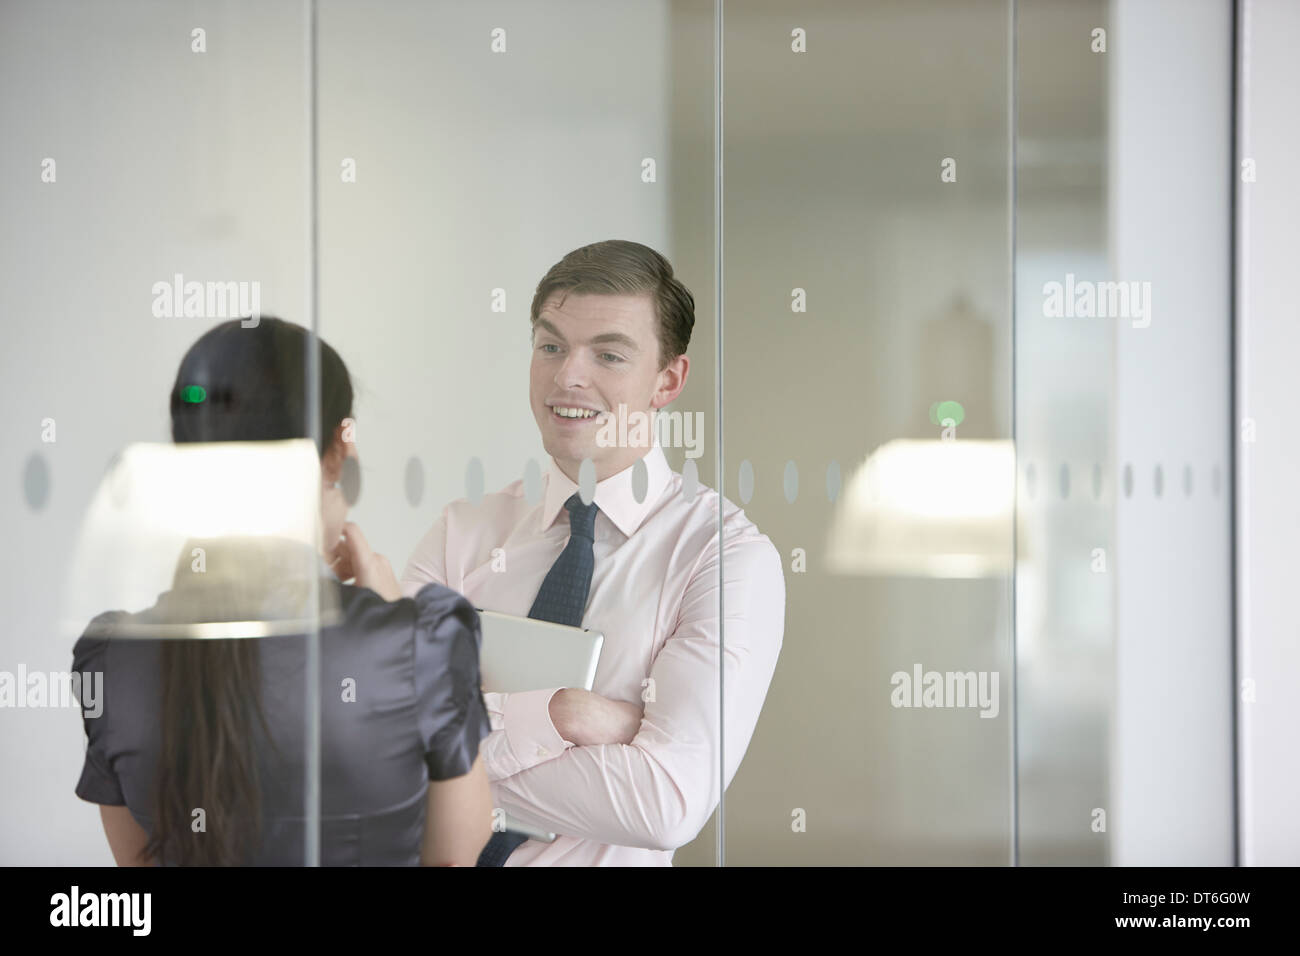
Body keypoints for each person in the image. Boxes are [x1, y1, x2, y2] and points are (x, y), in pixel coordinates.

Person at [401, 239, 786, 866]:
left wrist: (451, 759)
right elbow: (379, 743)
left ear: (668, 380)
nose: (567, 375)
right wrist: (561, 716)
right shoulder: (463, 534)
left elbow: (665, 802)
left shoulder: (723, 558)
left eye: (608, 354)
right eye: (551, 345)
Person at [72, 317, 493, 866]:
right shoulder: (423, 641)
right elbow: (454, 858)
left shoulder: (111, 654)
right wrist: (394, 614)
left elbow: (138, 866)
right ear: (337, 455)